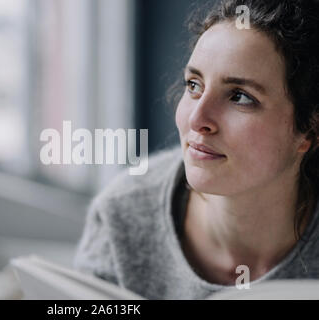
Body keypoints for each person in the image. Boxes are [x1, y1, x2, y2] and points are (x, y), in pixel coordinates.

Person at [73, 0, 319, 299]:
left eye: (240, 97)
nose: (197, 119)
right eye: (193, 85)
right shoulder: (122, 217)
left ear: (310, 131)